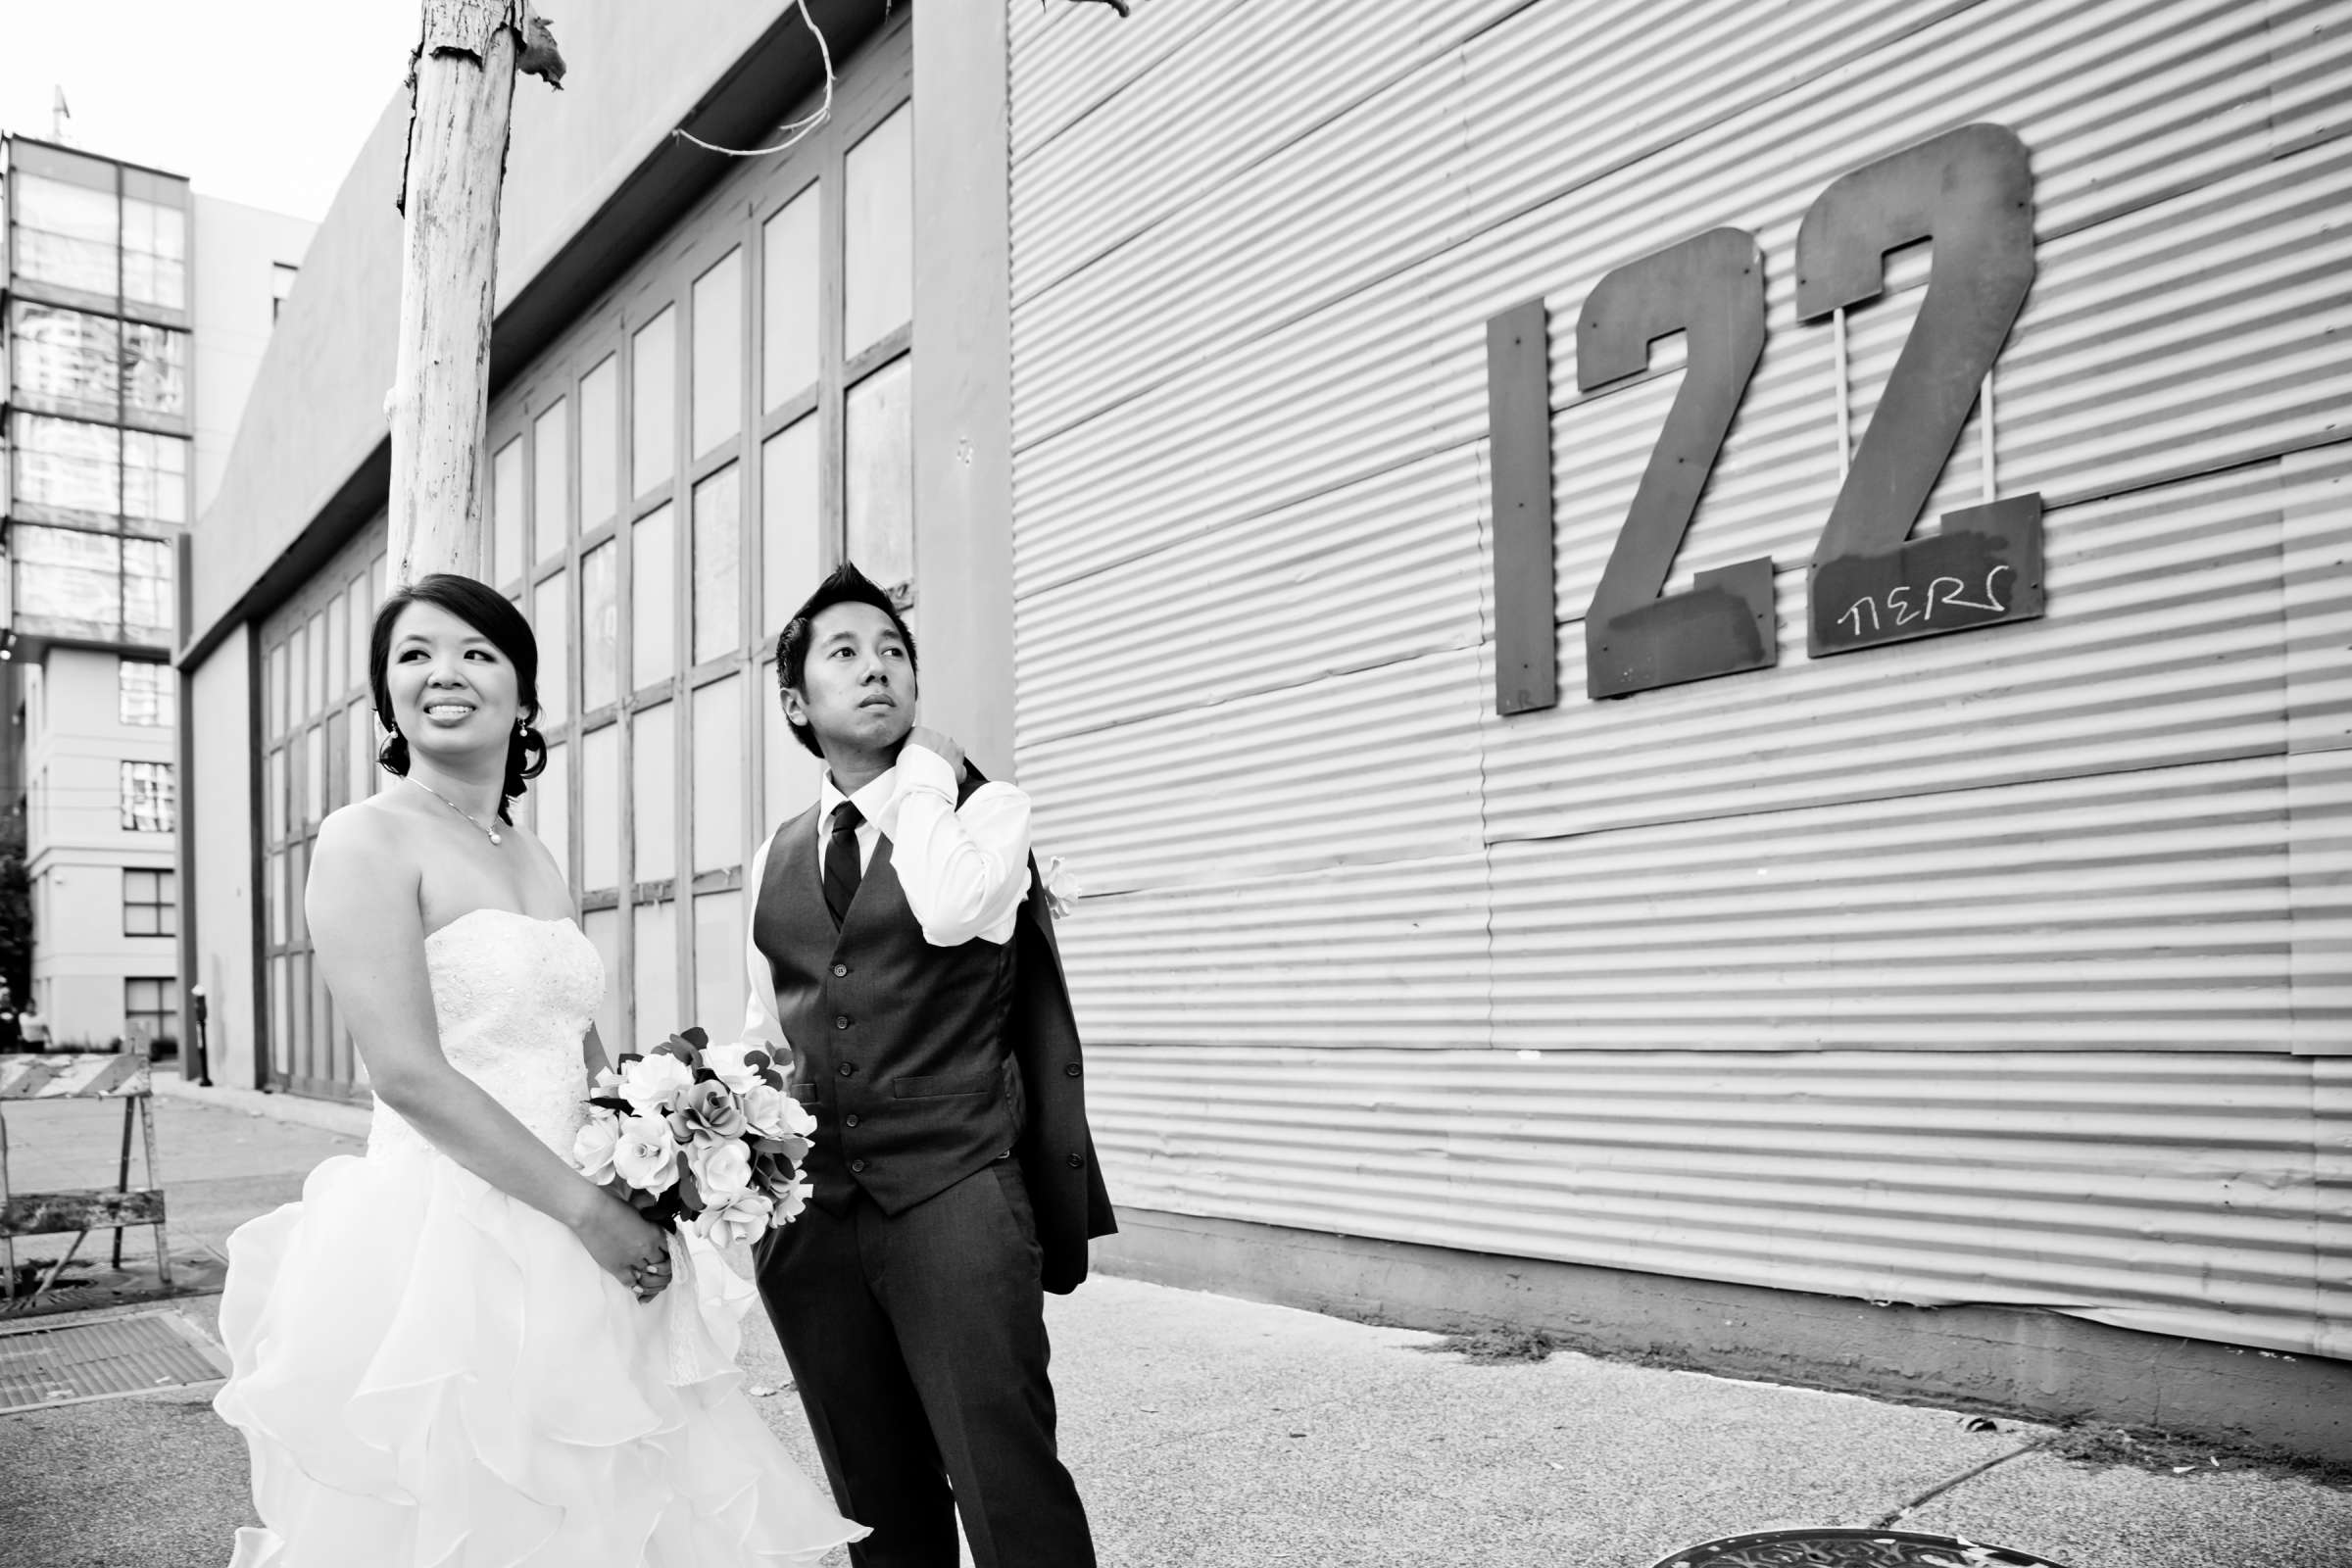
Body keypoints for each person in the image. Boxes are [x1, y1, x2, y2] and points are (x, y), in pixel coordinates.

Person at [212, 572, 864, 1568]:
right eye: (414, 655)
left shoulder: (530, 850)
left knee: (614, 1498)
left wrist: (658, 1158)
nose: (446, 673)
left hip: (585, 1215)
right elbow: (409, 1074)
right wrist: (588, 1209)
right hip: (453, 1235)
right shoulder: (365, 839)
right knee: (480, 1507)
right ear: (386, 697)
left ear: (521, 694)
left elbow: (577, 1038)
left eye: (478, 653)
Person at [742, 563, 1116, 1568]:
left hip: (955, 1195)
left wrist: (927, 777)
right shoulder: (773, 855)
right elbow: (768, 1021)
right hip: (816, 1217)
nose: (879, 669)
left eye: (896, 651)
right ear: (796, 701)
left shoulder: (988, 812)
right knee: (875, 1497)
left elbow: (948, 907)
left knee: (1007, 1481)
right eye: (847, 652)